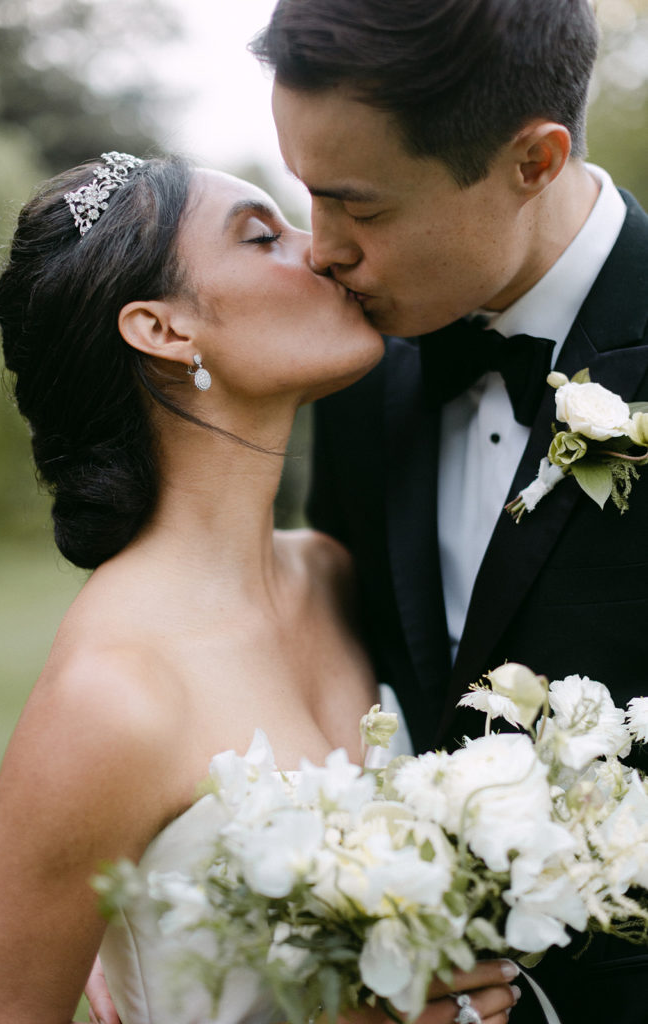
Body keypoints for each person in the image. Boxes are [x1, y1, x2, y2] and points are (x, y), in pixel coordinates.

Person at [0, 154, 520, 1024]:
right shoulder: (113, 696)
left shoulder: (331, 575)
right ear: (164, 329)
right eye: (264, 236)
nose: (324, 253)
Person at [250, 1, 648, 1022]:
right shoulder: (350, 365)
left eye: (360, 208)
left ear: (532, 160)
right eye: (306, 195)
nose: (319, 251)